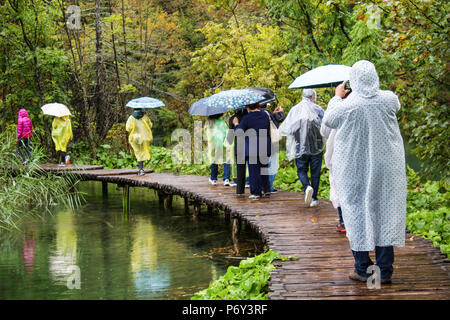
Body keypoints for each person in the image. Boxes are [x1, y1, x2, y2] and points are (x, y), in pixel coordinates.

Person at [323, 60, 406, 284]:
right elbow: (396, 104)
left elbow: (328, 120)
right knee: (384, 215)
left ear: (353, 80)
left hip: (354, 171)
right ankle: (385, 271)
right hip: (386, 171)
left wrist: (337, 96)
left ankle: (363, 268)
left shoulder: (346, 105)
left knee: (356, 213)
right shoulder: (388, 99)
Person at [279, 89, 324, 207]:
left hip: (300, 146)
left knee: (301, 170)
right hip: (317, 147)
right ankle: (314, 199)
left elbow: (288, 129)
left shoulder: (295, 110)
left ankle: (307, 187)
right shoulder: (318, 110)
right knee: (315, 173)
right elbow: (326, 127)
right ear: (313, 97)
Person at [234, 103, 273, 199]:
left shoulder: (247, 118)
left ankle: (256, 192)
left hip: (253, 147)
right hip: (265, 145)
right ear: (258, 106)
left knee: (254, 170)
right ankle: (266, 189)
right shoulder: (265, 115)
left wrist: (236, 124)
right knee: (264, 168)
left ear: (248, 107)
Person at [320, 123, 345, 232]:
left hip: (338, 154)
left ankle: (343, 221)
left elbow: (324, 130)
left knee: (338, 188)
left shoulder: (336, 106)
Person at [261, 103, 285, 193]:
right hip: (271, 143)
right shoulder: (267, 113)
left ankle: (262, 186)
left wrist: (273, 113)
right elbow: (279, 121)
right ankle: (268, 186)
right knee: (272, 166)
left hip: (260, 144)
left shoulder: (258, 114)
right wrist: (280, 113)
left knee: (263, 165)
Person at [205, 113, 232, 186]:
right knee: (226, 160)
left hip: (213, 144)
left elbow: (207, 134)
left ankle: (213, 179)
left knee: (213, 160)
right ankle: (226, 179)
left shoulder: (209, 123)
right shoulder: (222, 122)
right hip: (223, 144)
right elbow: (227, 133)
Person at [126, 108, 153, 176]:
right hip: (145, 137)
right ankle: (142, 168)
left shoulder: (131, 117)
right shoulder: (145, 116)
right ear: (141, 108)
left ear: (133, 109)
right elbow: (150, 125)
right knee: (143, 151)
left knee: (138, 153)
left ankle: (141, 170)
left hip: (135, 138)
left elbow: (128, 128)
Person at [228, 108, 248, 195]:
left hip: (239, 147)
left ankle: (240, 191)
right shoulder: (249, 116)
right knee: (255, 169)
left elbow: (230, 139)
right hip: (252, 145)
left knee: (240, 170)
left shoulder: (233, 119)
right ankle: (257, 191)